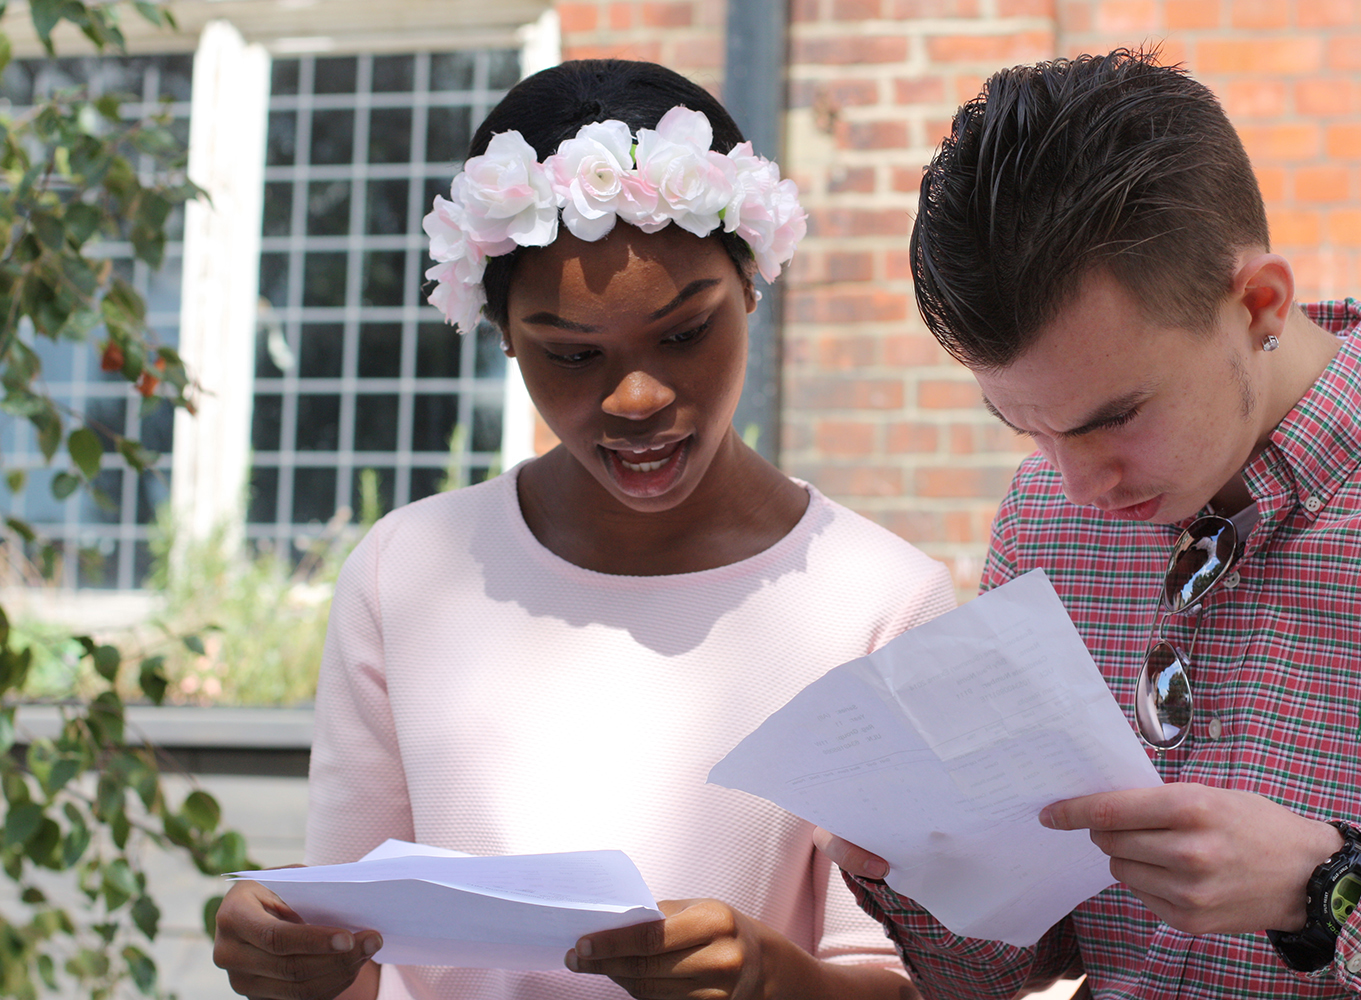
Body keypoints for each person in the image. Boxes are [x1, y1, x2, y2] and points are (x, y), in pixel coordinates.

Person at [212, 59, 955, 1000]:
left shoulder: (880, 605)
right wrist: (290, 961)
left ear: (753, 284)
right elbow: (357, 958)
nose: (637, 397)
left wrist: (775, 980)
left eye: (685, 332)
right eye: (571, 353)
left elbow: (916, 981)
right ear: (505, 335)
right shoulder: (407, 575)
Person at [814, 48, 1361, 999]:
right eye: (1027, 428)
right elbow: (1020, 959)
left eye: (1114, 418)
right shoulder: (1044, 519)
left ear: (1259, 302)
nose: (1079, 483)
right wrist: (918, 873)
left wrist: (1329, 889)